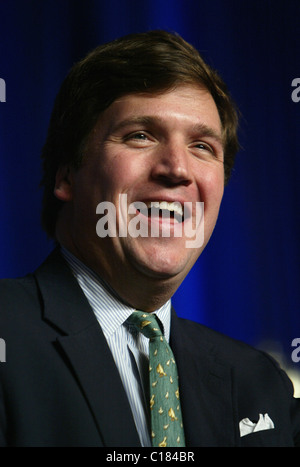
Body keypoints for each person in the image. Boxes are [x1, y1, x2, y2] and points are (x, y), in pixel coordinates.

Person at [0, 30, 299, 447]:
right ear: (66, 174)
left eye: (201, 146)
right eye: (140, 135)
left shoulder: (257, 382)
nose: (177, 168)